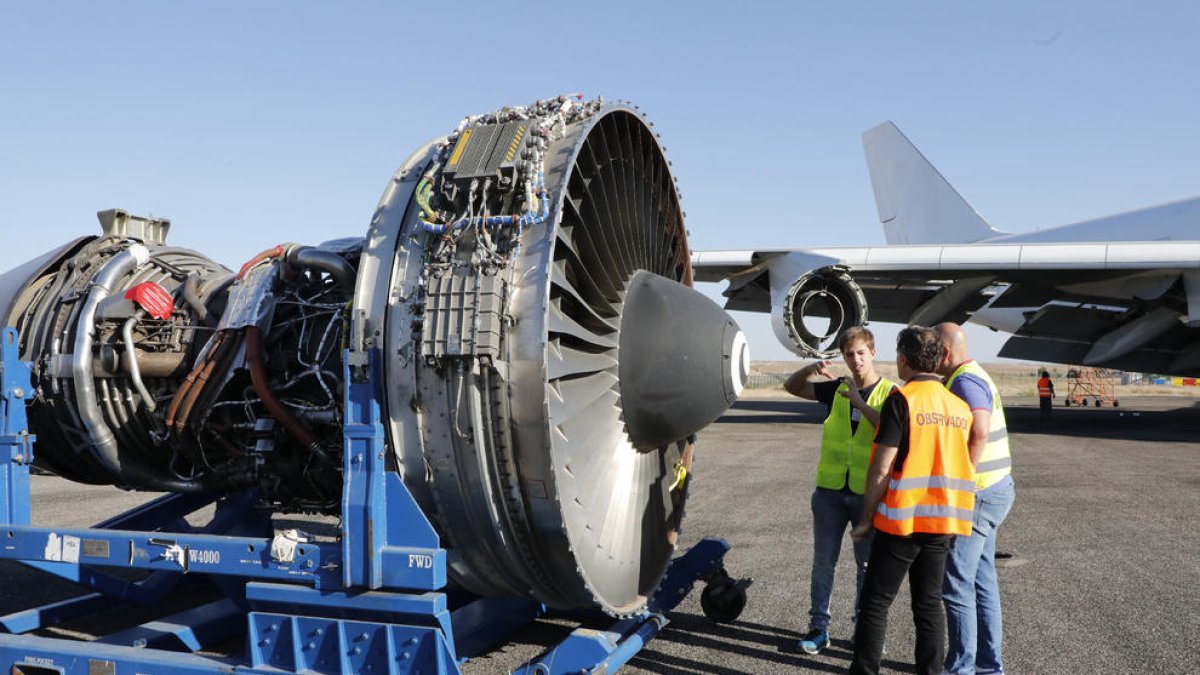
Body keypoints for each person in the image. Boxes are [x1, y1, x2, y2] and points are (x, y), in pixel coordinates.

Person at [848, 326, 975, 675]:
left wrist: (866, 516)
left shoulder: (902, 400)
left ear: (903, 360)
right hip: (944, 522)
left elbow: (881, 468)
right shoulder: (958, 407)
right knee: (929, 604)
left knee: (876, 602)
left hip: (902, 522)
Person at [784, 327, 897, 655]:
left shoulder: (890, 393)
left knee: (866, 567)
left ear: (873, 353)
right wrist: (810, 369)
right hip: (830, 492)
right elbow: (791, 387)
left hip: (868, 493)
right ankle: (819, 628)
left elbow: (890, 428)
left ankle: (865, 630)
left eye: (861, 353)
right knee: (823, 563)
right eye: (849, 355)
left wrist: (860, 404)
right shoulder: (837, 388)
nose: (856, 360)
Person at [935, 322, 1017, 675]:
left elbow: (980, 429)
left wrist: (963, 481)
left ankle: (962, 669)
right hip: (997, 488)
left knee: (955, 584)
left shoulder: (964, 381)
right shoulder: (975, 372)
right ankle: (988, 666)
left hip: (979, 494)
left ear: (945, 352)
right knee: (982, 580)